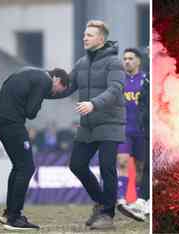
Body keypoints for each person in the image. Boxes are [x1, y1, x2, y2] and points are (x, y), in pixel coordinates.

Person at [48, 20, 125, 229]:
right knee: (77, 165)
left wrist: (93, 104)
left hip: (110, 122)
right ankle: (102, 203)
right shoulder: (81, 63)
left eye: (90, 35)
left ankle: (107, 216)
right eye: (84, 34)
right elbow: (67, 88)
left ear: (101, 39)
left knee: (107, 167)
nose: (85, 38)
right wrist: (42, 91)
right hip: (88, 125)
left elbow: (116, 89)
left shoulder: (115, 62)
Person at [0, 67, 69, 231]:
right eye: (56, 91)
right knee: (27, 168)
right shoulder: (45, 81)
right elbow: (31, 112)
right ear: (56, 80)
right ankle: (14, 217)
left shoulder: (29, 72)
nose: (53, 93)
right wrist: (40, 97)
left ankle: (9, 213)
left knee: (19, 167)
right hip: (12, 123)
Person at [118, 62, 150, 222]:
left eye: (130, 58)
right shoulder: (119, 80)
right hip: (124, 129)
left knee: (140, 168)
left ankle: (137, 203)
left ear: (138, 60)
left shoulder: (145, 79)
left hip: (141, 130)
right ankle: (122, 199)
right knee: (122, 162)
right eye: (125, 58)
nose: (127, 61)